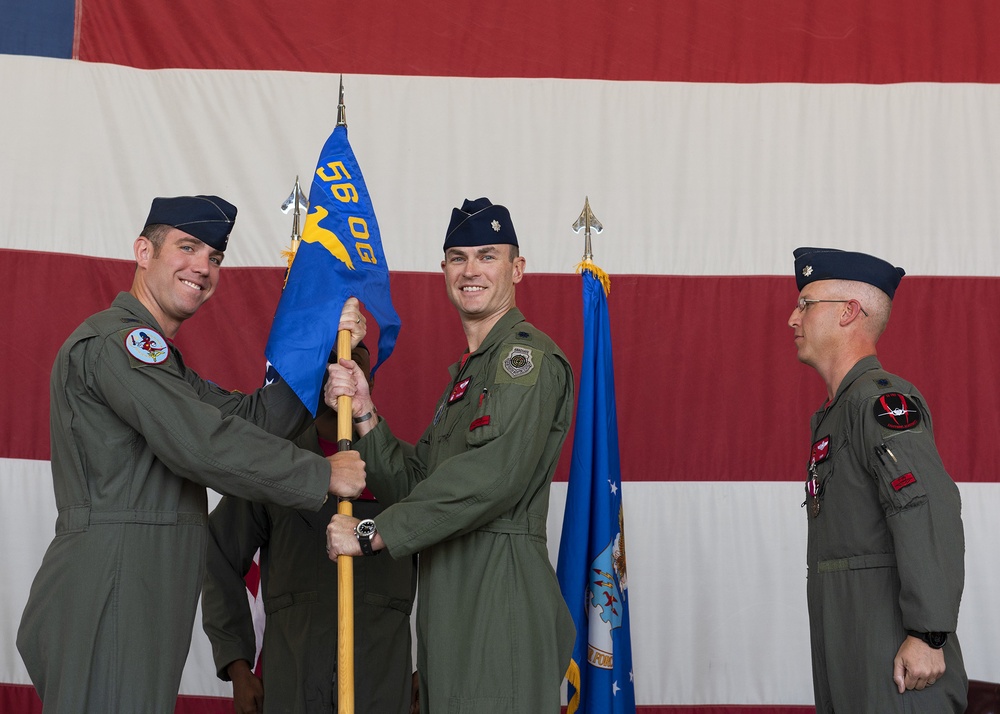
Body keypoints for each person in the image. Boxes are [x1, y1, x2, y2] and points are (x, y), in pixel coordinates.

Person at [17, 195, 368, 714]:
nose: (202, 267)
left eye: (215, 257)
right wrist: (320, 475)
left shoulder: (161, 364)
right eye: (187, 247)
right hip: (114, 577)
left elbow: (253, 421)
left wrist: (319, 333)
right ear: (143, 251)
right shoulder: (118, 343)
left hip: (140, 576)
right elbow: (199, 443)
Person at [324, 197, 576, 713]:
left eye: (487, 255)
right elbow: (420, 484)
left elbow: (490, 477)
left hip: (498, 600)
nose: (471, 270)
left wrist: (372, 534)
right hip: (452, 610)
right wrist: (367, 412)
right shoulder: (469, 375)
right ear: (444, 270)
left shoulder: (523, 360)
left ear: (517, 268)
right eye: (458, 258)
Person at [788, 246, 967, 712]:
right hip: (845, 635)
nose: (792, 318)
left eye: (806, 304)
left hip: (888, 645)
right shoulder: (835, 413)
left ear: (850, 312)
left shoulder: (880, 404)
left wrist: (928, 633)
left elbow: (927, 506)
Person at [202, 346, 418, 714]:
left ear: (371, 379)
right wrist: (237, 665)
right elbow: (216, 552)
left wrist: (429, 666)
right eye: (330, 361)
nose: (341, 371)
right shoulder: (276, 466)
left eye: (355, 362)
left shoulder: (409, 471)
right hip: (292, 682)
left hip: (384, 681)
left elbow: (452, 562)